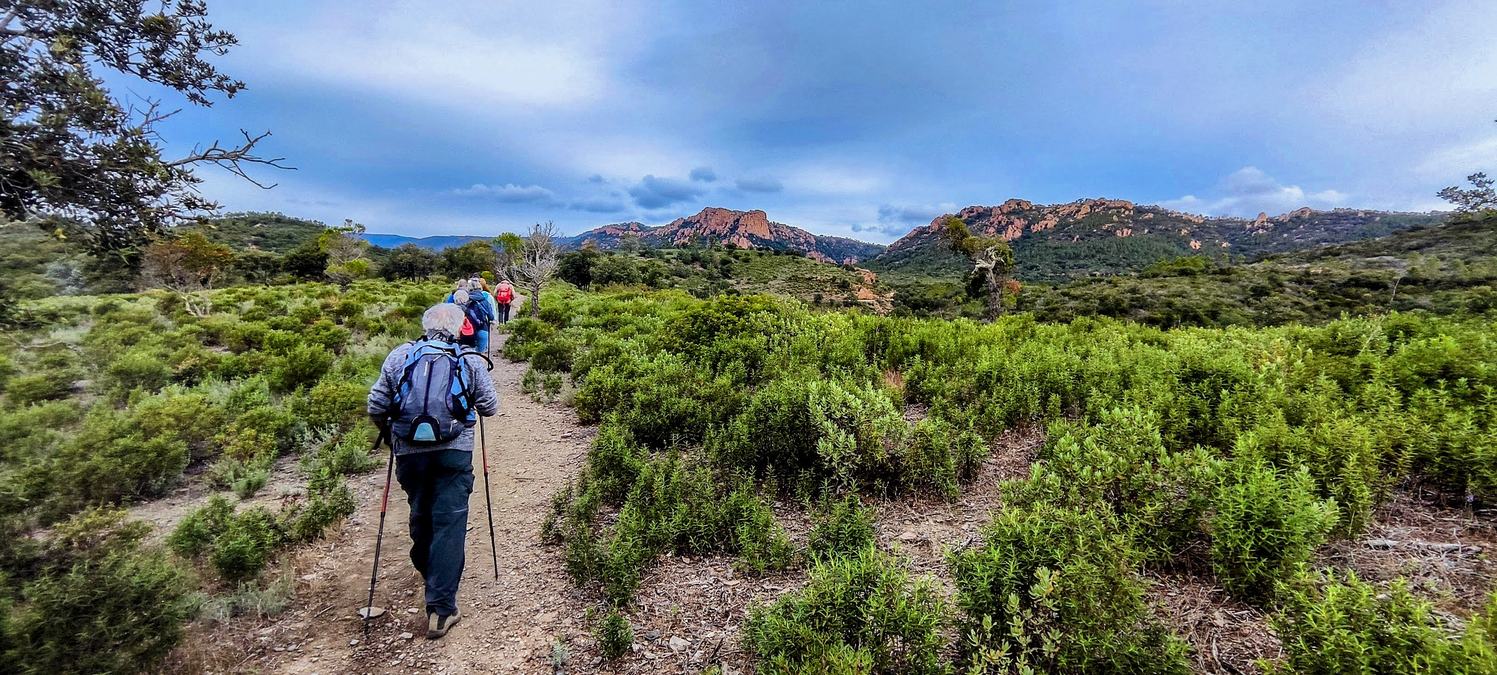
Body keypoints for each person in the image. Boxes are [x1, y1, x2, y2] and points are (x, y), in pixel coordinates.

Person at [367, 303, 499, 640]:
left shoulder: (400, 356)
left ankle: (431, 571)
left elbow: (377, 405)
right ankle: (441, 609)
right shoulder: (468, 360)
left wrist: (392, 432)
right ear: (459, 328)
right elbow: (489, 407)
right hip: (454, 452)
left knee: (420, 513)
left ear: (425, 326)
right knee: (450, 522)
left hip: (410, 453)